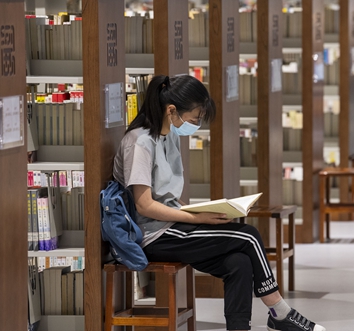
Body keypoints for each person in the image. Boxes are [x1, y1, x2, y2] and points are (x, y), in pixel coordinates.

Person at [113, 75, 325, 331]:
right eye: (193, 119)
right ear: (171, 111)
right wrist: (197, 218)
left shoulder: (168, 135)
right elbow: (144, 205)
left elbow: (167, 195)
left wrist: (199, 211)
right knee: (248, 237)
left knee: (239, 262)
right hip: (153, 235)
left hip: (172, 223)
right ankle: (280, 312)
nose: (196, 124)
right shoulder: (140, 143)